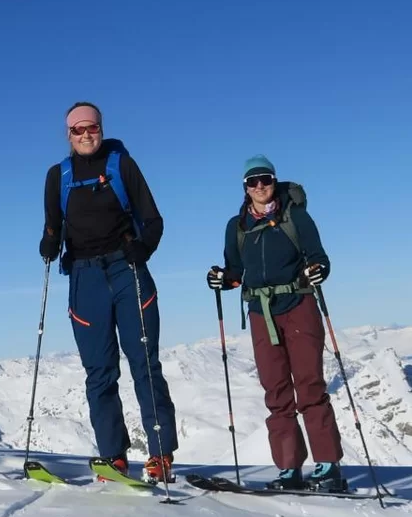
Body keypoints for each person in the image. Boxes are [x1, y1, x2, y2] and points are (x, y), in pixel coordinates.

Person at [38, 102, 179, 482]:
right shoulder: (57, 176)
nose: (86, 135)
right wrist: (48, 243)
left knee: (144, 362)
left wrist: (144, 248)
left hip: (127, 270)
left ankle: (161, 454)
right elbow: (53, 226)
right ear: (68, 134)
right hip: (84, 278)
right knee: (99, 371)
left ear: (101, 129)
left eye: (93, 128)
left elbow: (153, 220)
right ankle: (113, 457)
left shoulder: (122, 166)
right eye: (78, 129)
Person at [207, 154, 346, 492]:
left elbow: (318, 257)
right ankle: (289, 468)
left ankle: (328, 466)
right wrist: (222, 279)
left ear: (274, 180)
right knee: (276, 390)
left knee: (310, 385)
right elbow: (236, 272)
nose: (260, 186)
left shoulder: (295, 216)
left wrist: (319, 270)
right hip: (260, 312)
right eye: (252, 181)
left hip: (298, 305)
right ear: (245, 187)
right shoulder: (237, 226)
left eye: (265, 179)